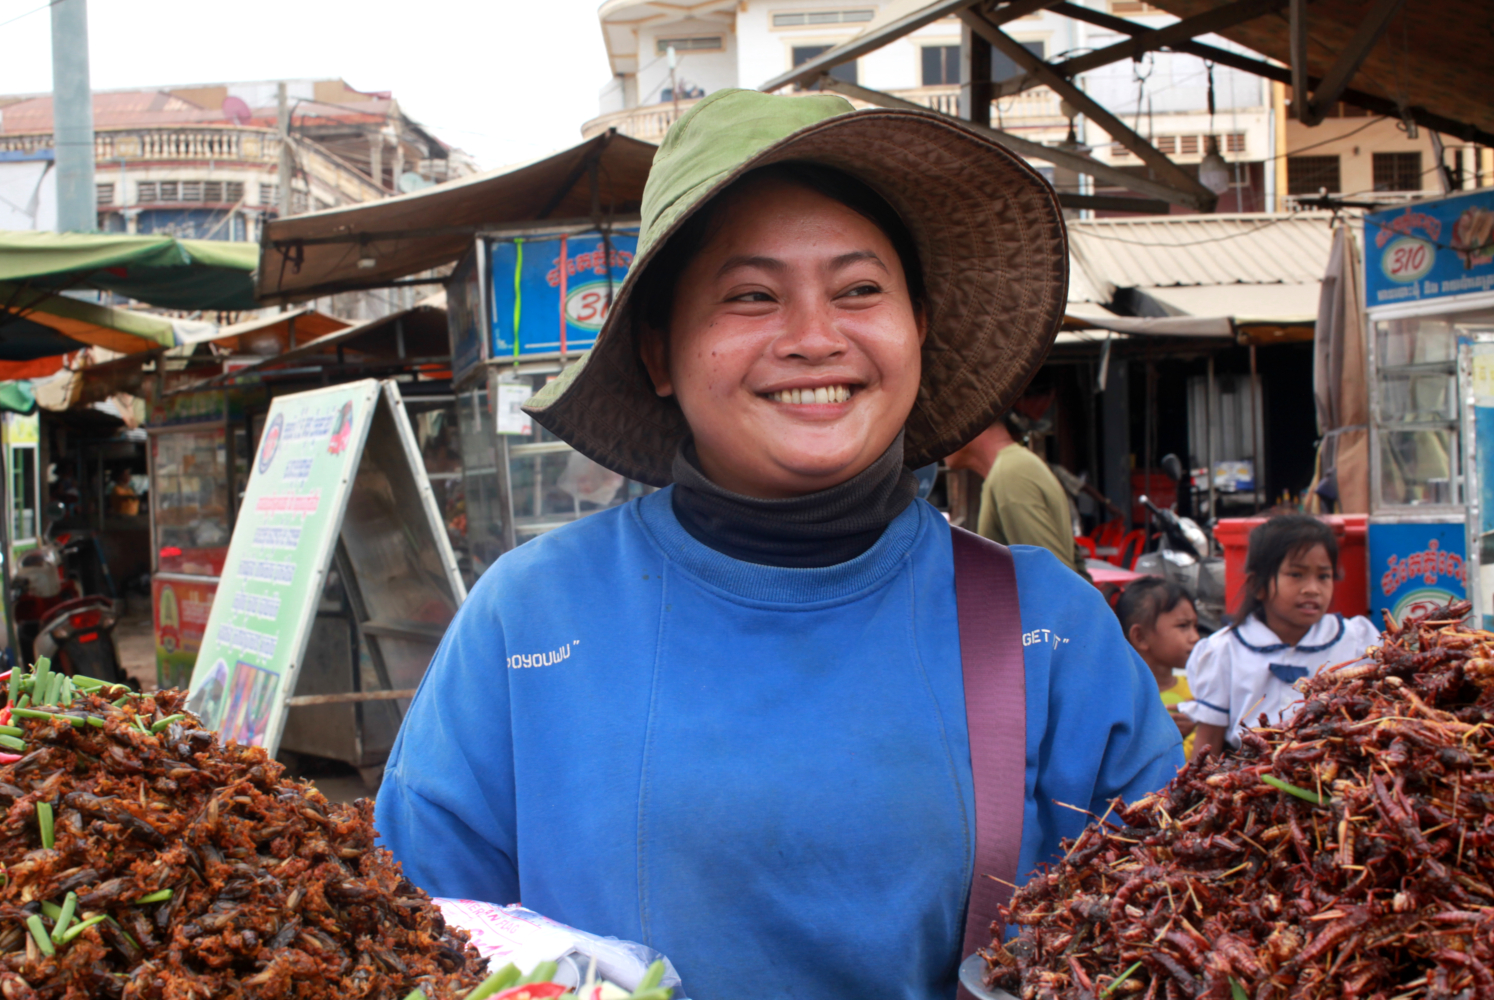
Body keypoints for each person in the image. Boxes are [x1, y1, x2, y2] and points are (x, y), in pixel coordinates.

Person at [374, 89, 1183, 1000]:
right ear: (657, 353)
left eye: (860, 290)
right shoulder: (528, 620)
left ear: (916, 324)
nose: (812, 338)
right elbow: (407, 943)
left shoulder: (1048, 627)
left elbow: (1180, 931)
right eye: (751, 296)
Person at [1182, 514, 1380, 756]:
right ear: (1259, 584)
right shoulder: (1224, 650)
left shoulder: (1356, 641)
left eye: (1323, 576)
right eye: (1296, 574)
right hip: (1248, 779)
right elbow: (1208, 741)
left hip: (1336, 774)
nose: (1312, 589)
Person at [945, 412, 1090, 576]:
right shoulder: (1012, 467)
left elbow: (1051, 578)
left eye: (942, 425)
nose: (938, 440)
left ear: (968, 422)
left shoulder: (1010, 472)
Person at [1116, 576, 1199, 755]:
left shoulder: (1198, 691)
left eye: (1195, 626)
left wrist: (1199, 725)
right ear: (1140, 637)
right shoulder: (1121, 697)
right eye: (1183, 626)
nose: (1195, 637)